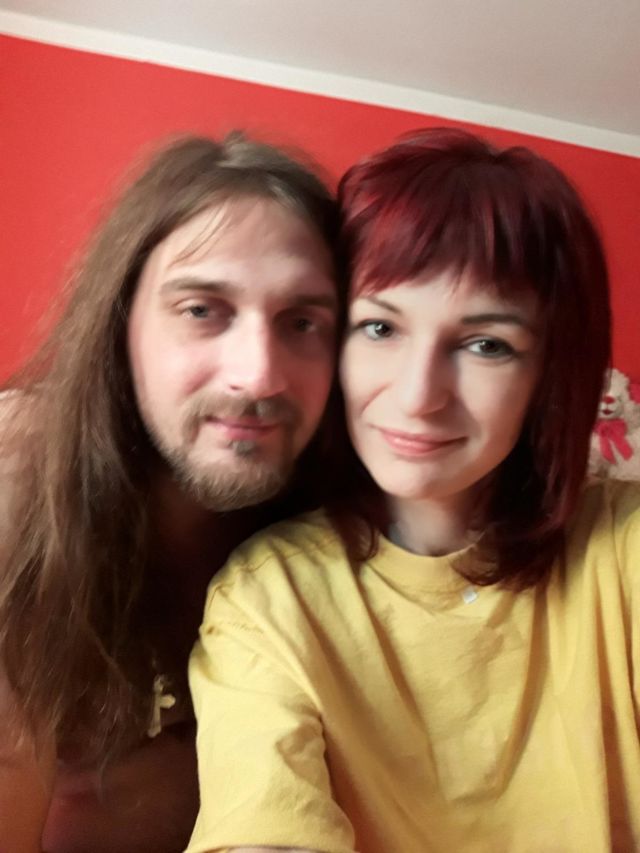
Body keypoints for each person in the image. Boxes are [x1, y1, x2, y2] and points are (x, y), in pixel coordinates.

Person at [187, 128, 640, 853]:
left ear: (548, 375)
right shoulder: (268, 595)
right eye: (379, 327)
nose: (418, 396)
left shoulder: (622, 548)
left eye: (486, 344)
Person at [0, 132, 346, 853]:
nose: (258, 375)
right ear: (120, 320)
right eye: (202, 310)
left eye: (302, 322)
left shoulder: (341, 529)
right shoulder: (19, 476)